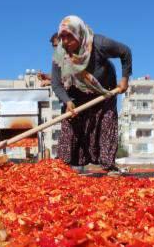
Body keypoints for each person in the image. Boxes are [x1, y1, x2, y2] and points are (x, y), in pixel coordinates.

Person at [52, 15, 132, 173]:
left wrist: (124, 79)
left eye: (70, 36)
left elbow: (125, 52)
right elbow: (56, 83)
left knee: (106, 123)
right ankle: (62, 167)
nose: (65, 42)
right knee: (70, 123)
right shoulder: (60, 54)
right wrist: (67, 101)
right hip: (77, 94)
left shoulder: (99, 44)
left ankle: (109, 166)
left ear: (79, 34)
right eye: (62, 37)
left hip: (104, 91)